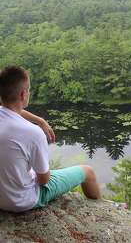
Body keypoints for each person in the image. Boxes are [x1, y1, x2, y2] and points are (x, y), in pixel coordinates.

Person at [0, 66, 101, 213]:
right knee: (88, 172)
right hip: (20, 201)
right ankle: (107, 211)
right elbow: (44, 180)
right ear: (23, 94)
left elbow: (9, 110)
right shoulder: (32, 133)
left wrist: (40, 120)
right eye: (28, 90)